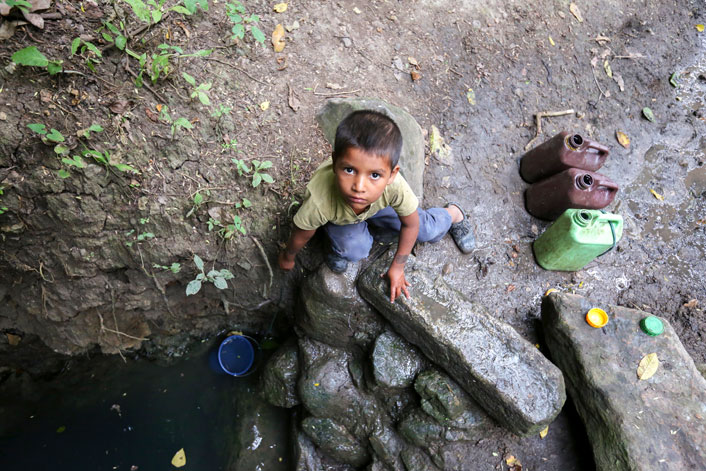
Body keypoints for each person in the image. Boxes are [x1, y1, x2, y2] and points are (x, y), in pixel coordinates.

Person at [278, 110, 475, 302]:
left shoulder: (395, 188)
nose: (359, 187)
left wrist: (398, 266)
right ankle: (340, 243)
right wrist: (289, 255)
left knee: (426, 230)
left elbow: (411, 225)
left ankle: (454, 214)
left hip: (380, 205)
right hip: (343, 215)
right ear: (335, 161)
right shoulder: (321, 199)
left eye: (374, 175)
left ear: (392, 175)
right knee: (356, 249)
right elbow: (302, 232)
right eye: (349, 170)